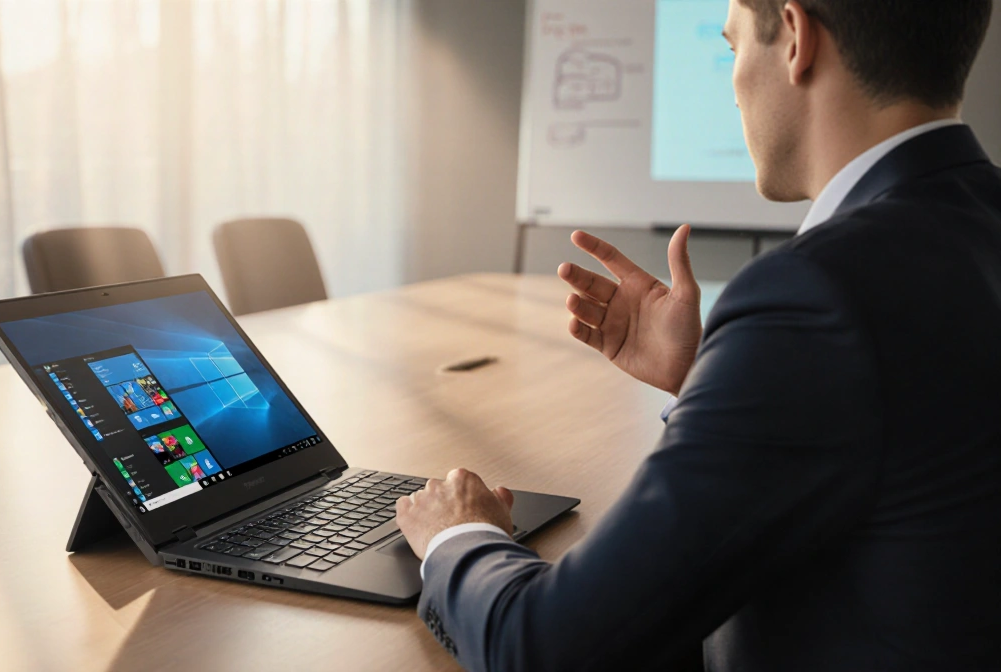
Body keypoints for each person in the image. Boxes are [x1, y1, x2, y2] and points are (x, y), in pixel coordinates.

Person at [395, 0, 1001, 669]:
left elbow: (545, 648)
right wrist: (709, 378)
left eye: (732, 45)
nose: (734, 86)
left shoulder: (814, 295)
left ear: (795, 39)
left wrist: (460, 535)